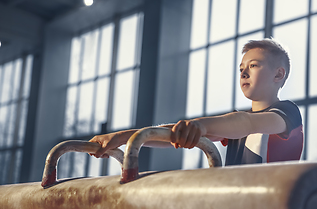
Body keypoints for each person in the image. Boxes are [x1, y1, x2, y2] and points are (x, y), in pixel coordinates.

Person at [90, 38, 303, 165]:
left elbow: (246, 123)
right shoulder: (236, 124)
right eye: (241, 68)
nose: (244, 72)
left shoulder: (287, 113)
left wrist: (200, 125)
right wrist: (123, 137)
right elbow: (176, 134)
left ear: (278, 75)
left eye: (254, 65)